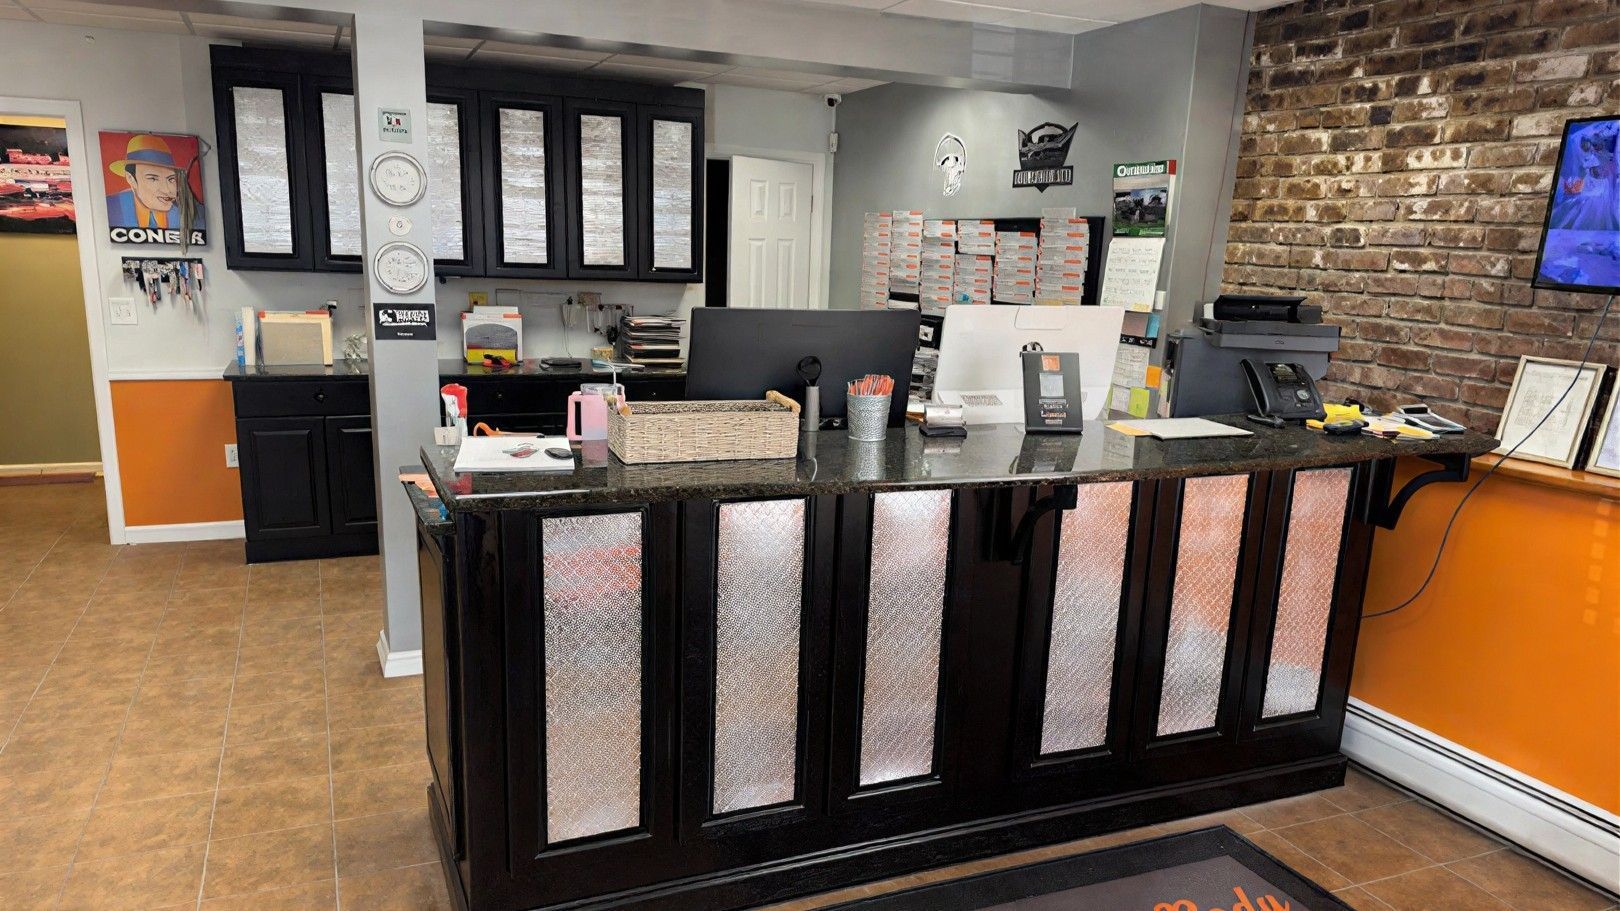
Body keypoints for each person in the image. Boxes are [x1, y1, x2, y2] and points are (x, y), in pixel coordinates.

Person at [105, 134, 205, 231]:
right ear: (131, 178)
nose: (166, 189)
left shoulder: (194, 215)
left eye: (171, 179)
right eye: (153, 179)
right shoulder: (111, 207)